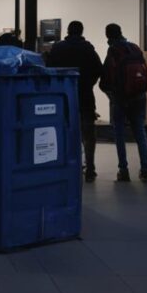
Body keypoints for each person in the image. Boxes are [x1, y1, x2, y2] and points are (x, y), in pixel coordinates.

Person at [46, 21, 102, 182]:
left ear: (68, 31)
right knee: (88, 134)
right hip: (85, 96)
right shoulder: (88, 49)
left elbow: (49, 69)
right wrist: (88, 83)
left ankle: (68, 166)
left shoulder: (58, 48)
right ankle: (90, 168)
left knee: (64, 132)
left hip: (63, 97)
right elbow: (99, 69)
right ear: (81, 31)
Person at [99, 23, 147, 182]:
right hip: (139, 97)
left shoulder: (113, 51)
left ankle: (124, 170)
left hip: (120, 99)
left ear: (108, 36)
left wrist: (109, 93)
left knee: (119, 134)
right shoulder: (134, 48)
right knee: (140, 133)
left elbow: (105, 78)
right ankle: (145, 169)